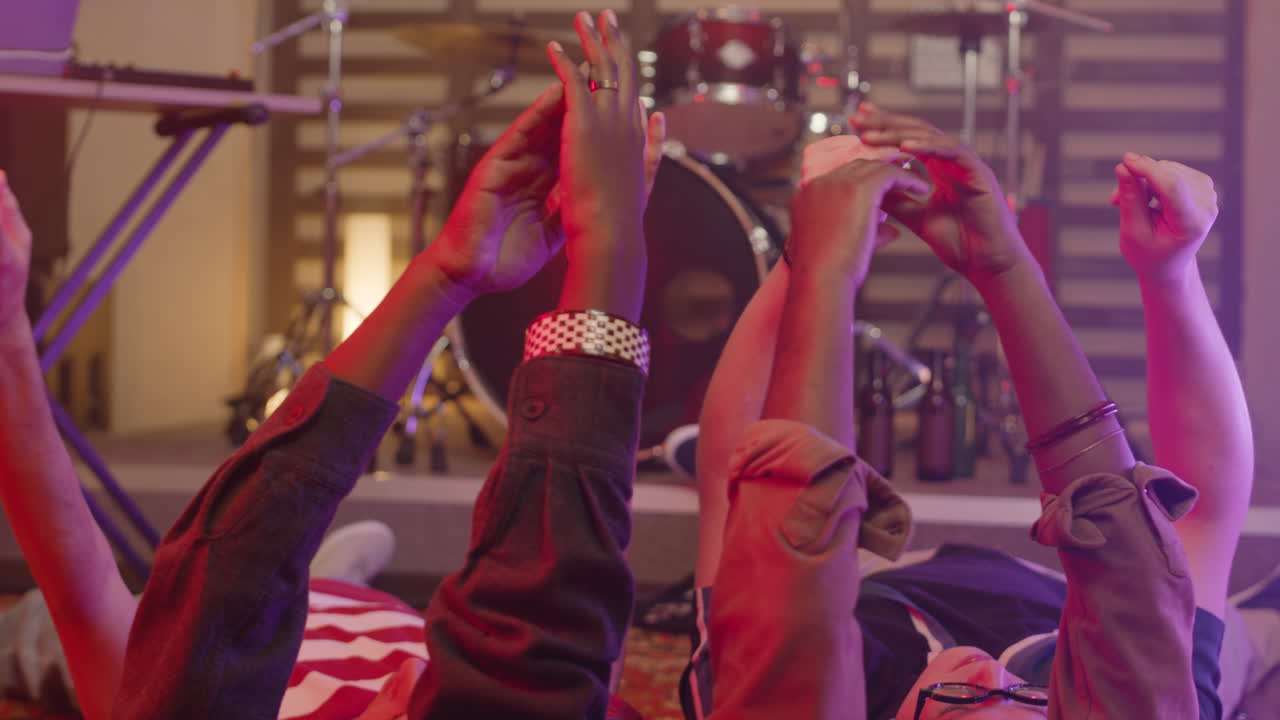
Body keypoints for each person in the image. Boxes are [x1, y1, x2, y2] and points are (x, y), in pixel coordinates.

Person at [0, 9, 665, 719]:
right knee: (267, 588)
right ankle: (321, 581)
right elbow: (570, 612)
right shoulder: (491, 677)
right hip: (330, 616)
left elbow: (172, 577)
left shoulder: (179, 687)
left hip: (212, 622)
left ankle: (312, 581)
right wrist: (505, 260)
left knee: (48, 625)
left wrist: (10, 331)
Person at [680, 104, 1261, 719]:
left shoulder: (763, 683)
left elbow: (735, 475)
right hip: (1064, 601)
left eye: (955, 708)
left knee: (769, 510)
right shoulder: (1144, 694)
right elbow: (1202, 511)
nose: (980, 687)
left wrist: (807, 262)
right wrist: (1170, 270)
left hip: (872, 577)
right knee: (1235, 642)